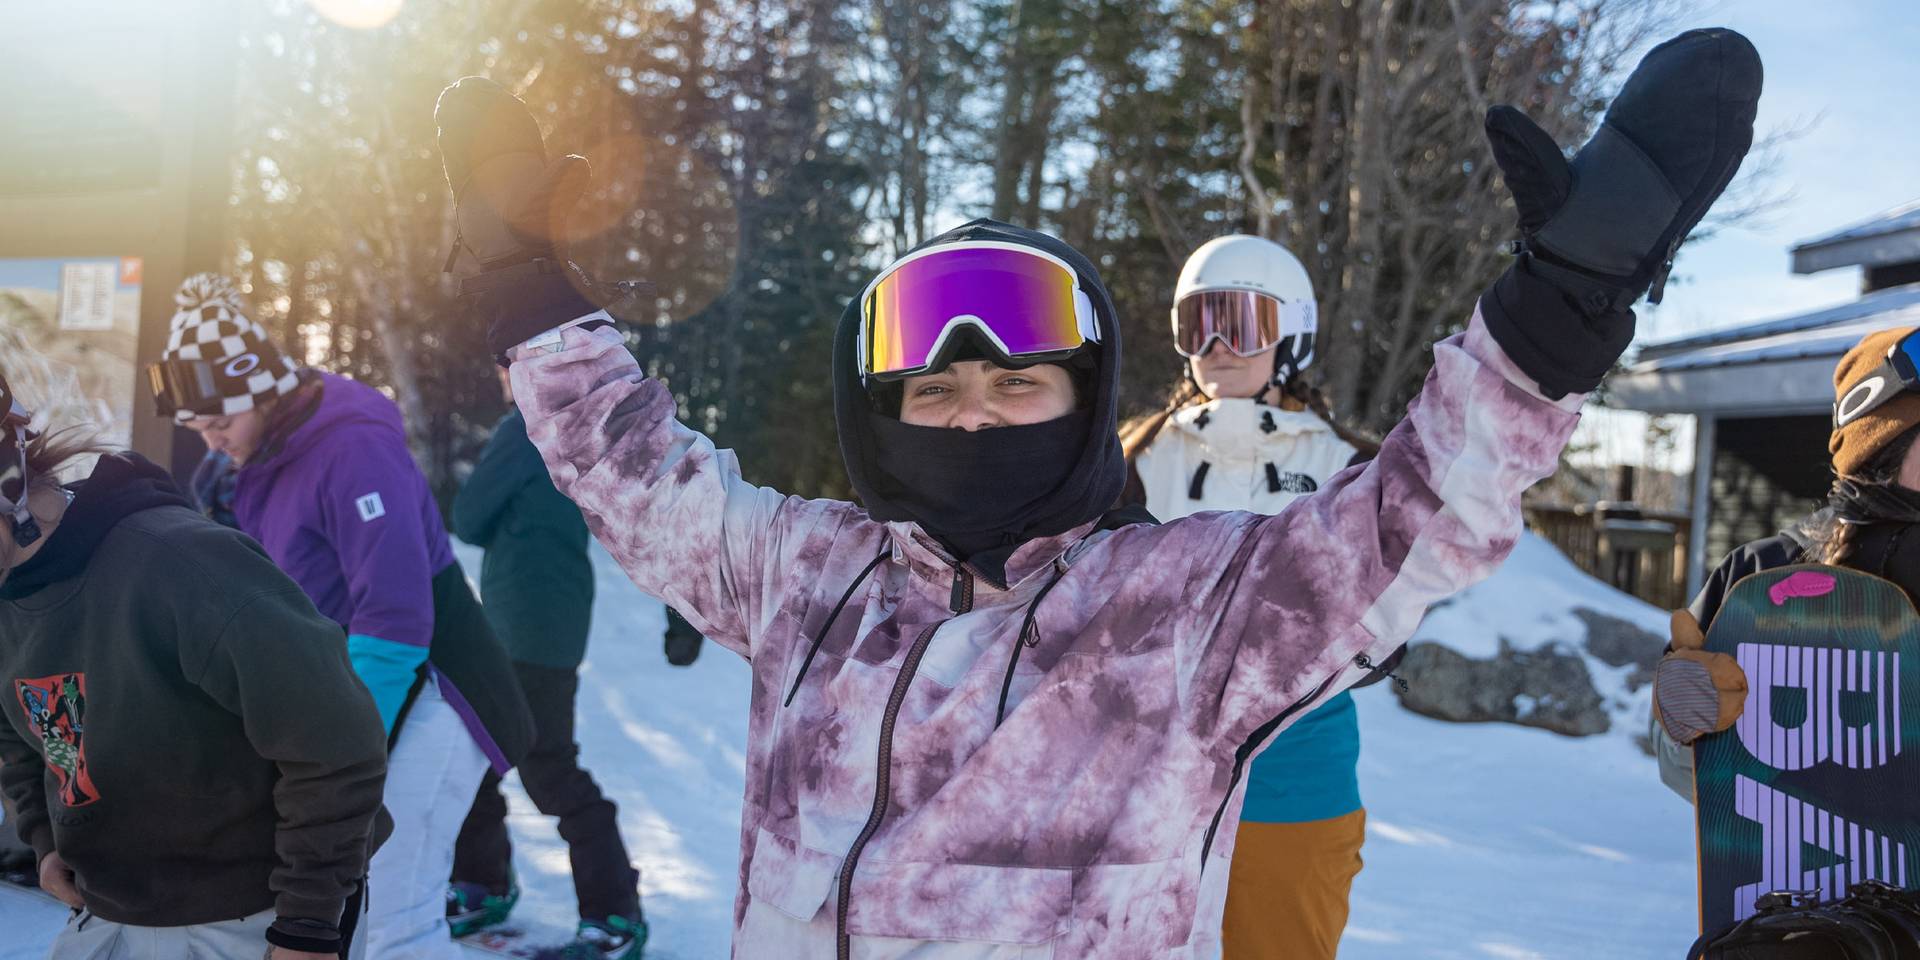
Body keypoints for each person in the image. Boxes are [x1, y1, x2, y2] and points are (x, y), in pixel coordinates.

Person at [437, 27, 1757, 956]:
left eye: (1021, 391)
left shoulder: (1184, 614)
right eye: (936, 397)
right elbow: (633, 471)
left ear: (1082, 409)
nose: (973, 418)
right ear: (880, 417)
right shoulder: (806, 579)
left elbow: (1414, 520)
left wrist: (1554, 314)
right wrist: (529, 303)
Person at [151, 274, 535, 960]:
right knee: (345, 904)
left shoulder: (351, 449)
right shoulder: (259, 456)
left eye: (219, 423)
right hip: (359, 692)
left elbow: (395, 616)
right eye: (199, 429)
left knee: (391, 908)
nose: (212, 443)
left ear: (260, 392)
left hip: (438, 691)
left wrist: (342, 748)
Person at [0, 359, 389, 959]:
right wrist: (45, 837)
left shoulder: (182, 568)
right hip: (108, 907)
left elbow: (335, 744)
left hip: (252, 913)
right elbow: (16, 731)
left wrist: (306, 927)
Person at [1119, 235, 1380, 959]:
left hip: (1295, 765)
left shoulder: (1344, 464)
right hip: (1153, 764)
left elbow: (1399, 585)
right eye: (1195, 322)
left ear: (1290, 333)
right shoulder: (1135, 459)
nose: (1214, 344)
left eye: (1239, 321)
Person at [1651, 326, 1920, 798]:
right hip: (1806, 858)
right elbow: (1685, 772)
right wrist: (1687, 724)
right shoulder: (1763, 574)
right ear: (1879, 442)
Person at [448, 368, 647, 958]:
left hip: (528, 626)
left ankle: (614, 914)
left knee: (546, 766)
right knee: (475, 751)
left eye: (508, 366)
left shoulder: (527, 430)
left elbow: (467, 516)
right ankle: (484, 883)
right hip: (545, 619)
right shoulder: (580, 429)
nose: (503, 378)